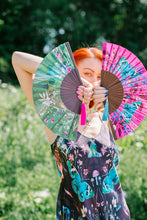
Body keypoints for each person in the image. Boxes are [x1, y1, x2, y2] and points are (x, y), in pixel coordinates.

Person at [12, 45, 130, 220]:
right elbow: (18, 59)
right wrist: (69, 78)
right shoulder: (55, 115)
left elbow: (132, 84)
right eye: (87, 74)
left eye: (99, 77)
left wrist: (107, 93)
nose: (93, 82)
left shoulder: (106, 117)